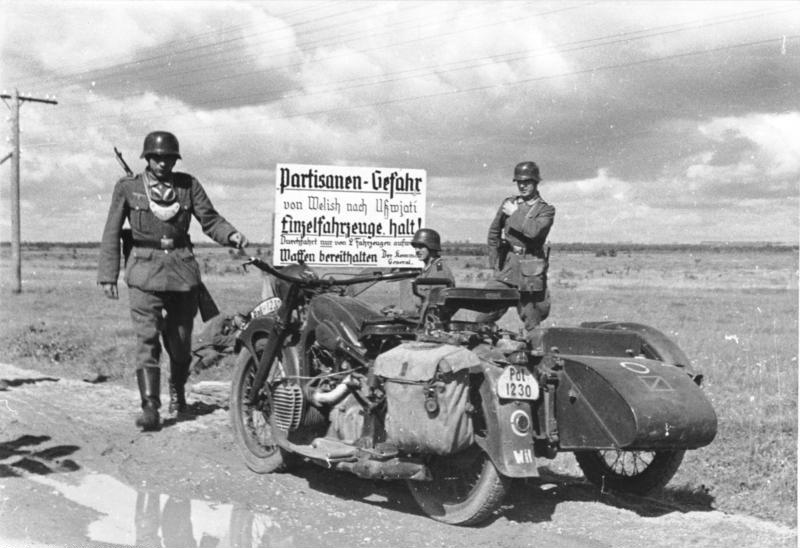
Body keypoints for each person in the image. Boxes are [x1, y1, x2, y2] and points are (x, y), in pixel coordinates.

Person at [97, 130, 248, 431]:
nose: (163, 163)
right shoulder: (128, 187)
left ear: (175, 160)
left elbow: (210, 219)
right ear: (147, 159)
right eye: (157, 158)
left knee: (180, 345)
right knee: (147, 339)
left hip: (181, 273)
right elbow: (111, 230)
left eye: (168, 158)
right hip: (143, 272)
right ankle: (150, 407)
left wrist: (230, 235)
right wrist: (107, 274)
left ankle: (177, 389)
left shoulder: (188, 186)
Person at [478, 161, 555, 335]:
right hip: (507, 267)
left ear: (536, 183)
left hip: (531, 270)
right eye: (519, 182)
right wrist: (495, 263)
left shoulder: (546, 210)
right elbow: (494, 233)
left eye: (527, 182)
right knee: (484, 313)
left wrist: (515, 213)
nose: (522, 185)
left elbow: (533, 232)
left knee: (532, 320)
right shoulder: (509, 203)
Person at [382, 228, 455, 317]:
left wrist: (404, 313)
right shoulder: (428, 269)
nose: (417, 250)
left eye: (421, 247)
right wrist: (398, 310)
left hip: (428, 325)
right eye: (415, 247)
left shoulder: (439, 270)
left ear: (431, 246)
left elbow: (434, 310)